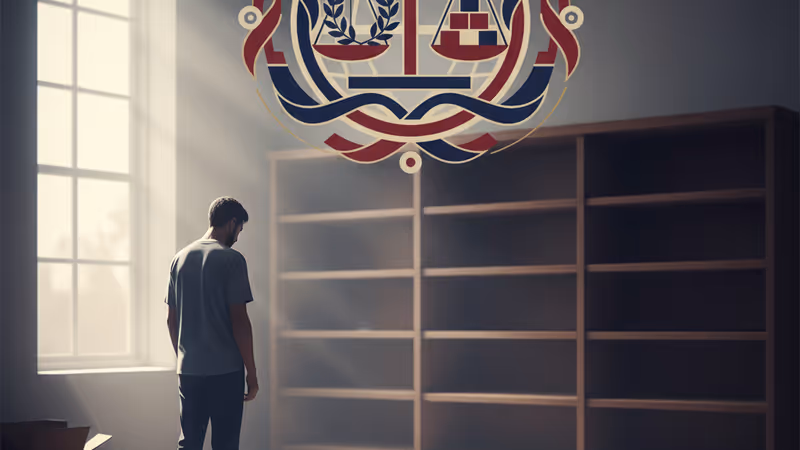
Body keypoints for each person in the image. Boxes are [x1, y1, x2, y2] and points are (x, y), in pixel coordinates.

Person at [165, 197, 259, 450]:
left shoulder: (179, 259)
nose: (238, 236)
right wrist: (252, 372)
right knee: (225, 444)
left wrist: (185, 358)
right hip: (226, 372)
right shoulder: (233, 260)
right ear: (232, 223)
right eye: (239, 229)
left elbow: (171, 321)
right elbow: (240, 321)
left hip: (189, 370)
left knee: (189, 444)